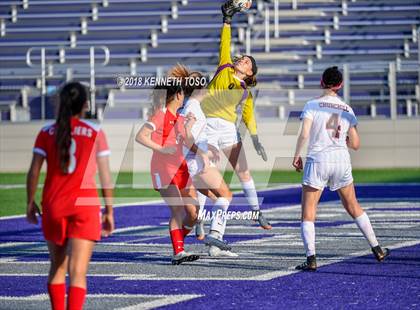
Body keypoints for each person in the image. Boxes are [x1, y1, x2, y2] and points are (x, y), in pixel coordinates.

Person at [26, 81, 114, 310]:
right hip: (85, 207)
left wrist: (29, 201)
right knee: (78, 273)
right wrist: (110, 211)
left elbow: (34, 170)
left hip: (54, 205)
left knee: (57, 268)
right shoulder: (95, 131)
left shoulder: (46, 132)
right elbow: (105, 177)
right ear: (86, 104)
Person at [292, 66, 389, 271]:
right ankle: (377, 248)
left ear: (321, 82)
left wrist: (296, 155)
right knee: (353, 206)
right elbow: (355, 143)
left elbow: (305, 133)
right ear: (340, 85)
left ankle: (311, 259)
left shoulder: (312, 104)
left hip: (318, 159)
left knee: (308, 212)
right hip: (341, 159)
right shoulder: (347, 109)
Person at [200, 0, 271, 230]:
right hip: (208, 125)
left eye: (247, 61)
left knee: (243, 171)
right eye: (242, 58)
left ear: (249, 72)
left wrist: (256, 138)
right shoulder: (224, 67)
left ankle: (257, 213)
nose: (242, 60)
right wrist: (227, 20)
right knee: (206, 173)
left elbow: (249, 118)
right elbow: (225, 42)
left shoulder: (246, 93)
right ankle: (200, 219)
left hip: (228, 129)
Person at [170, 64, 237, 257]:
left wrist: (207, 149)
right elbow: (184, 136)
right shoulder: (192, 107)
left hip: (191, 163)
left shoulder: (191, 106)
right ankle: (214, 238)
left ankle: (199, 247)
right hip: (196, 164)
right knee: (226, 195)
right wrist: (202, 154)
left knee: (202, 209)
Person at [136, 83, 202, 265]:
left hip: (181, 168)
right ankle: (178, 251)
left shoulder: (179, 117)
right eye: (182, 93)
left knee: (194, 214)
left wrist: (189, 126)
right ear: (177, 95)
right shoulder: (161, 115)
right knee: (178, 209)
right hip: (163, 169)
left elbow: (187, 142)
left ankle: (178, 242)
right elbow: (141, 136)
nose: (184, 96)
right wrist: (162, 149)